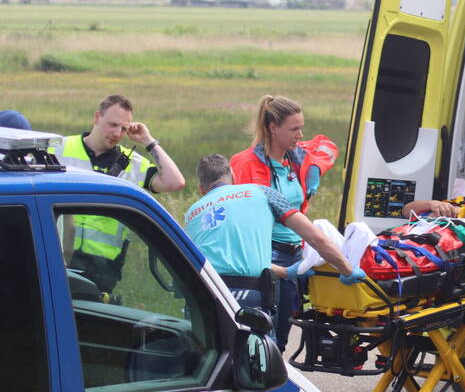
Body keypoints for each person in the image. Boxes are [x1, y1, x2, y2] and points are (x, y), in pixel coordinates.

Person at [184, 154, 363, 312]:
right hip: (247, 296)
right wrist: (347, 270)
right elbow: (317, 238)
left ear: (201, 189)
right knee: (261, 349)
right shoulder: (262, 192)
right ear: (233, 174)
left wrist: (285, 272)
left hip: (202, 296)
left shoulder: (191, 214)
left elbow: (224, 261)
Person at [230, 95, 338, 351]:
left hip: (295, 254)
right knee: (265, 337)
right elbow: (240, 215)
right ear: (272, 128)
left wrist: (315, 168)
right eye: (294, 129)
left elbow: (327, 145)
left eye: (301, 127)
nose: (300, 135)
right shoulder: (245, 163)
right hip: (267, 253)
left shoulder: (297, 156)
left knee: (282, 335)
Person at [54, 94, 186, 292]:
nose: (117, 133)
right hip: (55, 255)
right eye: (112, 124)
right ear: (97, 117)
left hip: (102, 266)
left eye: (124, 128)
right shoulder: (59, 148)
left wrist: (149, 141)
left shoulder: (131, 163)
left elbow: (175, 182)